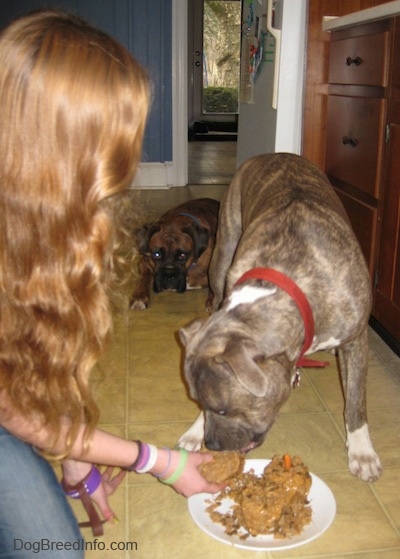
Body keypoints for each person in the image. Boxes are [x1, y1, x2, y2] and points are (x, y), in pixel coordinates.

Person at [0, 9, 223, 558]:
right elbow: (18, 412)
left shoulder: (41, 229)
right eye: (115, 142)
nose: (126, 165)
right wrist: (162, 462)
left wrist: (78, 466)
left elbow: (30, 367)